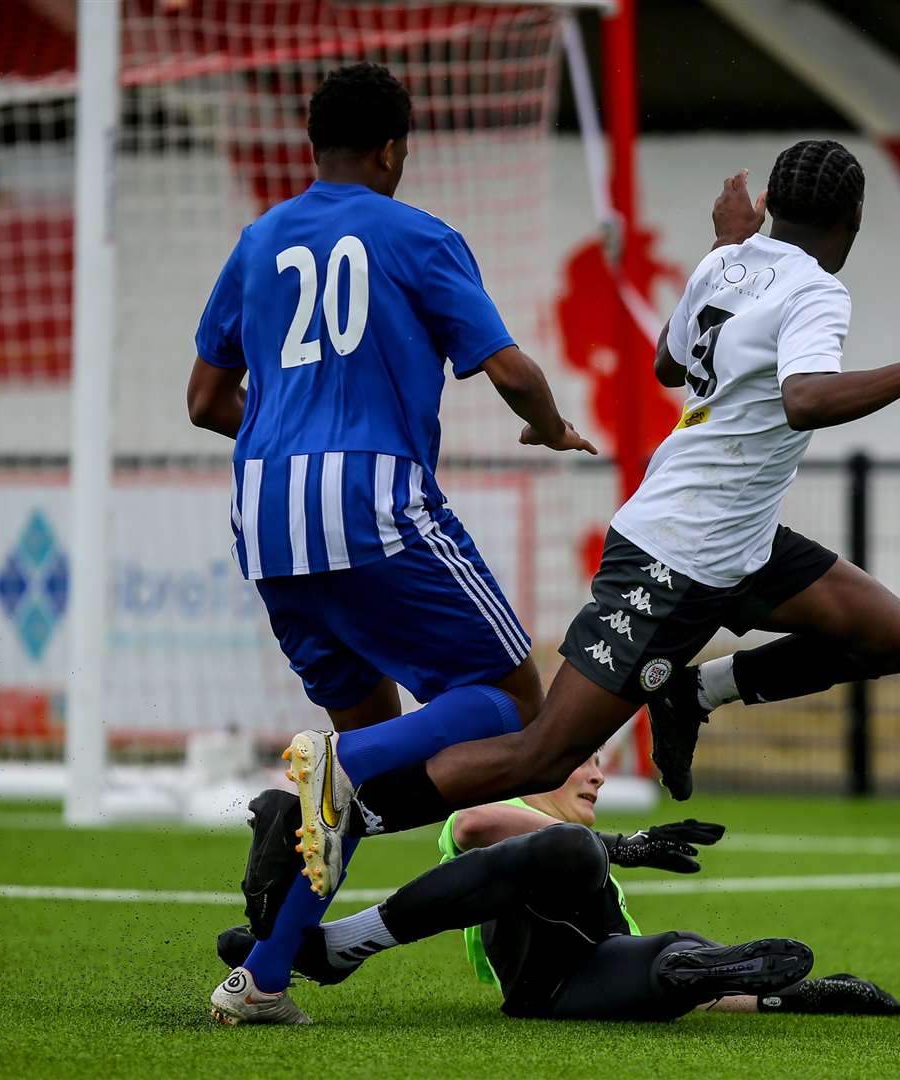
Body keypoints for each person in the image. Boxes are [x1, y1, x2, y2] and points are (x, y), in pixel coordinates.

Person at [289, 139, 900, 846]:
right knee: (542, 754)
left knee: (895, 637)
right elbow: (806, 399)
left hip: (741, 542)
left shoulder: (729, 259)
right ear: (852, 222)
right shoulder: (818, 290)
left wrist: (724, 247)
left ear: (771, 207)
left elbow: (668, 365)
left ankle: (694, 693)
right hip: (676, 557)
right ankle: (344, 812)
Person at [188, 61, 595, 1023]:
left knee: (363, 756)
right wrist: (546, 425)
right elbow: (510, 366)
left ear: (311, 147)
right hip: (371, 503)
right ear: (391, 149)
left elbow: (206, 402)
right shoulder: (417, 234)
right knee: (508, 703)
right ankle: (342, 768)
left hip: (265, 516)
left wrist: (286, 435)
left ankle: (266, 979)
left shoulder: (257, 242)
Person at [214, 755, 900, 1024]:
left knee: (671, 960)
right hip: (534, 976)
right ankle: (333, 944)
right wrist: (617, 846)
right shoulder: (484, 824)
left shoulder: (588, 864)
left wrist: (794, 996)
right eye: (580, 760)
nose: (599, 775)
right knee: (571, 849)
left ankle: (313, 941)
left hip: (586, 984)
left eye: (602, 762)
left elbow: (636, 957)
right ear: (535, 765)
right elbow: (485, 822)